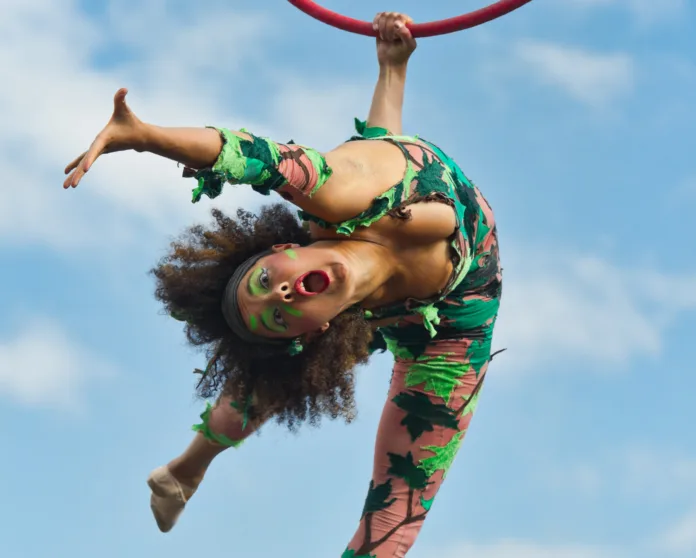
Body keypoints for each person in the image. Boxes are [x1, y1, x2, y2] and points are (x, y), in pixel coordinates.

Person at [64, 11, 503, 557]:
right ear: (314, 326)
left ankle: (186, 468)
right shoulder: (374, 329)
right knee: (395, 512)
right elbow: (395, 511)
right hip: (452, 319)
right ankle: (188, 467)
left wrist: (146, 136)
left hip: (393, 197)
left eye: (268, 279)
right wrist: (392, 71)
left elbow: (251, 157)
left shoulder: (340, 193)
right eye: (278, 312)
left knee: (359, 182)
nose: (282, 294)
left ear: (285, 249)